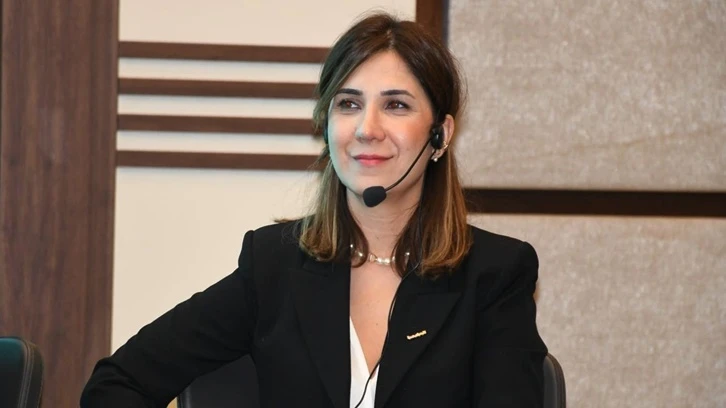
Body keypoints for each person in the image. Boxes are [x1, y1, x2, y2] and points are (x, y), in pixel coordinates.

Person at [81, 12, 547, 408]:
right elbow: (117, 384)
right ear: (326, 124)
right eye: (348, 104)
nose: (367, 128)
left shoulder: (495, 274)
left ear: (440, 134)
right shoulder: (273, 265)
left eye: (396, 105)